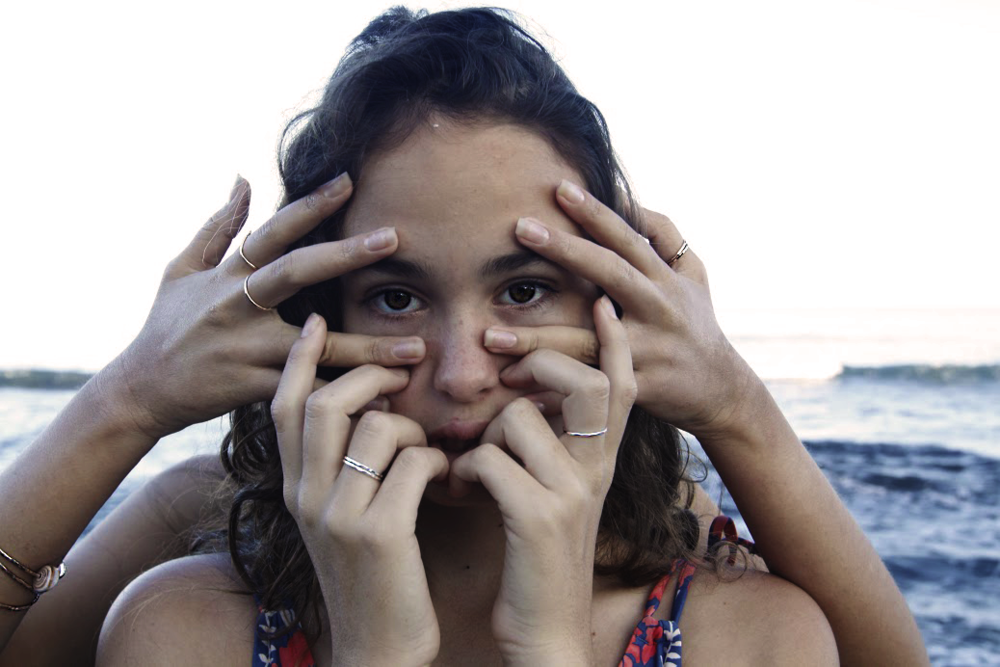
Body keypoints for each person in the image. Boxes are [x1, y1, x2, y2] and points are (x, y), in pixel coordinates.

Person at [1, 6, 926, 666]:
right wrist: (129, 397)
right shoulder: (179, 616)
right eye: (396, 297)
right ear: (314, 319)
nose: (459, 373)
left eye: (523, 288)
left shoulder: (749, 630)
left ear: (617, 305)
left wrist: (733, 403)